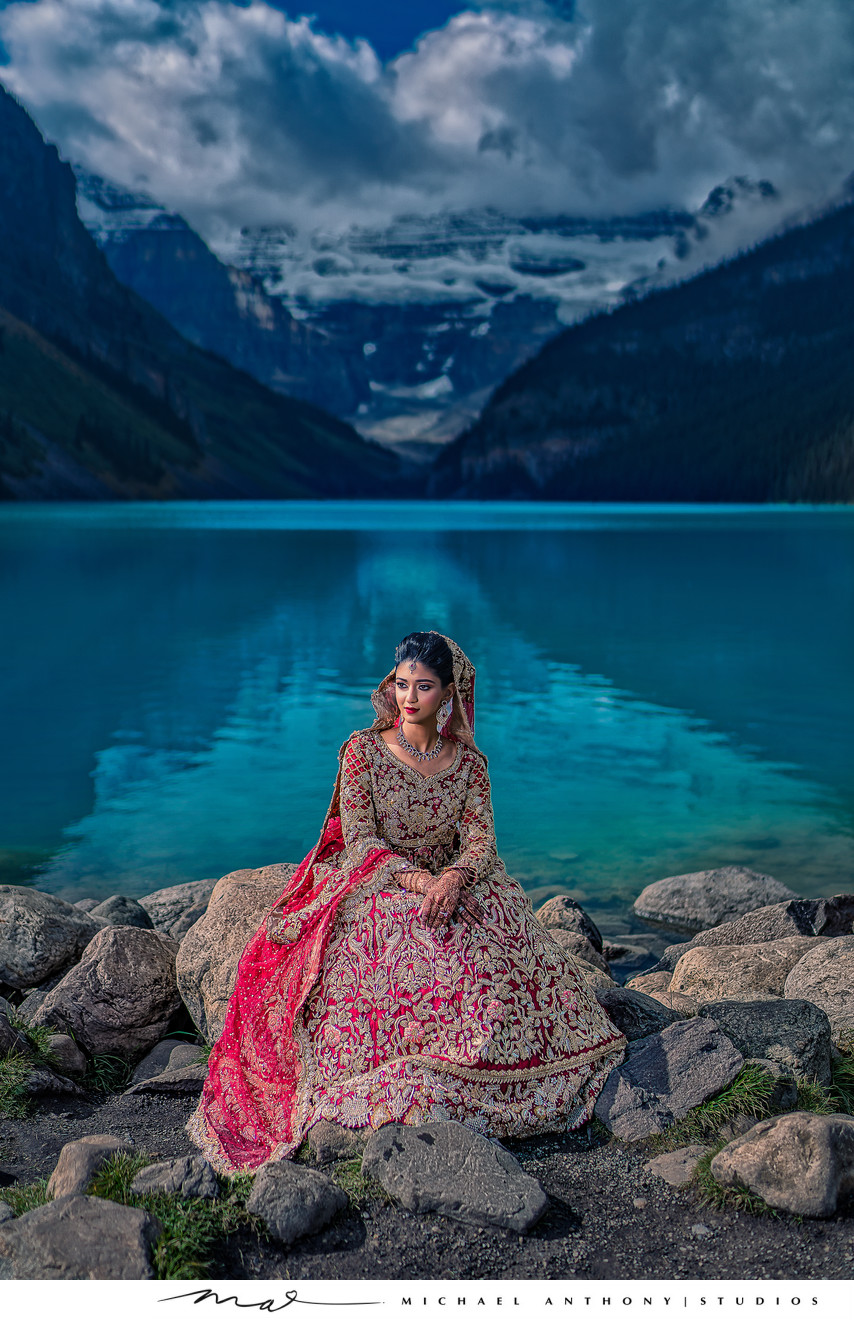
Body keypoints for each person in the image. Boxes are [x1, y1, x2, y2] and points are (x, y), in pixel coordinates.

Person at [187, 631, 626, 1173]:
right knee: (397, 942)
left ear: (448, 694)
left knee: (496, 943)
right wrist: (419, 881)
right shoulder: (363, 751)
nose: (410, 697)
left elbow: (481, 841)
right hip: (381, 880)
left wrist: (458, 877)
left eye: (424, 686)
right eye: (401, 684)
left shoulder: (469, 765)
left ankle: (498, 1072)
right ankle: (388, 1081)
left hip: (457, 881)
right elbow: (361, 838)